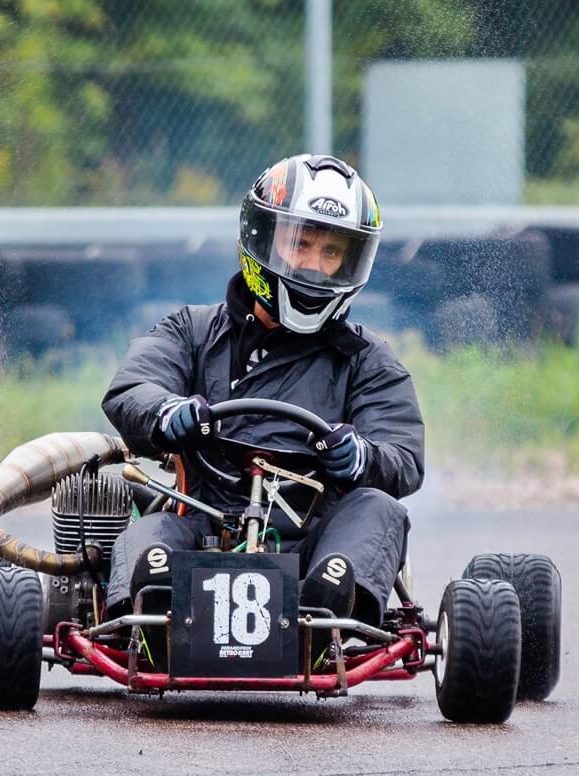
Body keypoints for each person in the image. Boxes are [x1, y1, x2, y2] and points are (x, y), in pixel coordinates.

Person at [101, 153, 424, 626]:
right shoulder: (191, 330)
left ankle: (322, 616)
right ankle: (156, 617)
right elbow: (131, 388)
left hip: (314, 542)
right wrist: (169, 413)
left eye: (331, 253)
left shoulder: (366, 358)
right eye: (302, 244)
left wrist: (361, 457)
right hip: (201, 522)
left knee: (378, 507)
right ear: (262, 240)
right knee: (152, 528)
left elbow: (403, 454)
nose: (315, 267)